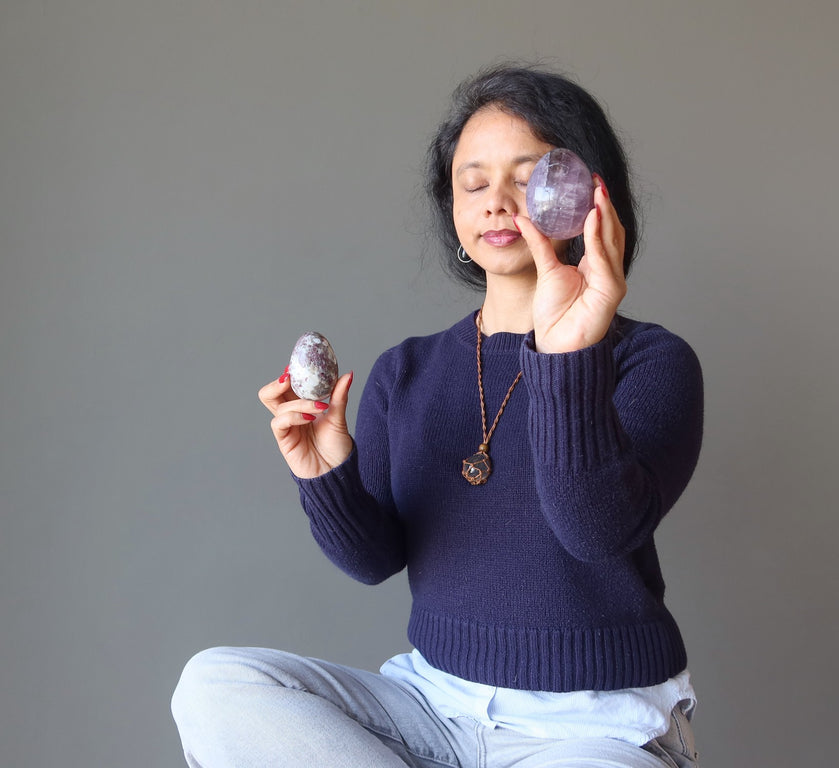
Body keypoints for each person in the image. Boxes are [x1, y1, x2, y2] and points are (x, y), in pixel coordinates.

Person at [172, 63, 704, 768]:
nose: (497, 201)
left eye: (529, 176)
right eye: (474, 182)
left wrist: (569, 350)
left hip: (591, 728)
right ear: (453, 212)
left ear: (587, 195)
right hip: (431, 707)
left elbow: (594, 528)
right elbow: (375, 559)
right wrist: (326, 470)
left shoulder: (651, 362)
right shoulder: (409, 370)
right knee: (216, 684)